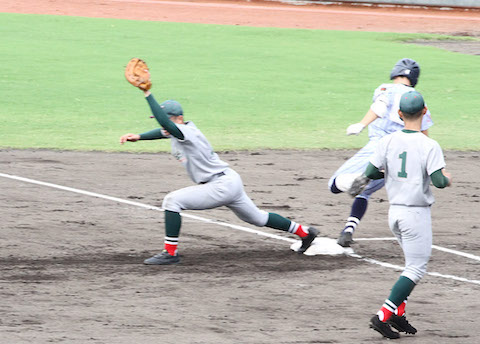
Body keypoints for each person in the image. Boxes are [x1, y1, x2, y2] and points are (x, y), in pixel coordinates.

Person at [120, 90, 318, 265]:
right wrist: (139, 136)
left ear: (178, 119)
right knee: (257, 218)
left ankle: (170, 253)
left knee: (172, 201)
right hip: (229, 181)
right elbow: (162, 130)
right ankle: (305, 232)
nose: (161, 123)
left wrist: (147, 93)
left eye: (165, 119)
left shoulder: (185, 132)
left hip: (219, 185)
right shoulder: (178, 131)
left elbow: (165, 126)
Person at [350, 91, 451, 339]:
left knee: (410, 266)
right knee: (416, 269)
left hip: (394, 213)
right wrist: (448, 179)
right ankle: (383, 315)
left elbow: (371, 172)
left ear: (399, 114)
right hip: (415, 215)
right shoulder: (429, 145)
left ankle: (397, 312)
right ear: (425, 112)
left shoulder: (387, 141)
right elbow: (438, 181)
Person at [328, 58, 433, 247]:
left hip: (379, 147)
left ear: (396, 72)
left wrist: (361, 124)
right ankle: (348, 230)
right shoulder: (419, 100)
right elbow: (424, 136)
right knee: (364, 191)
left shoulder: (386, 89)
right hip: (404, 156)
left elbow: (380, 106)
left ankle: (354, 179)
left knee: (335, 184)